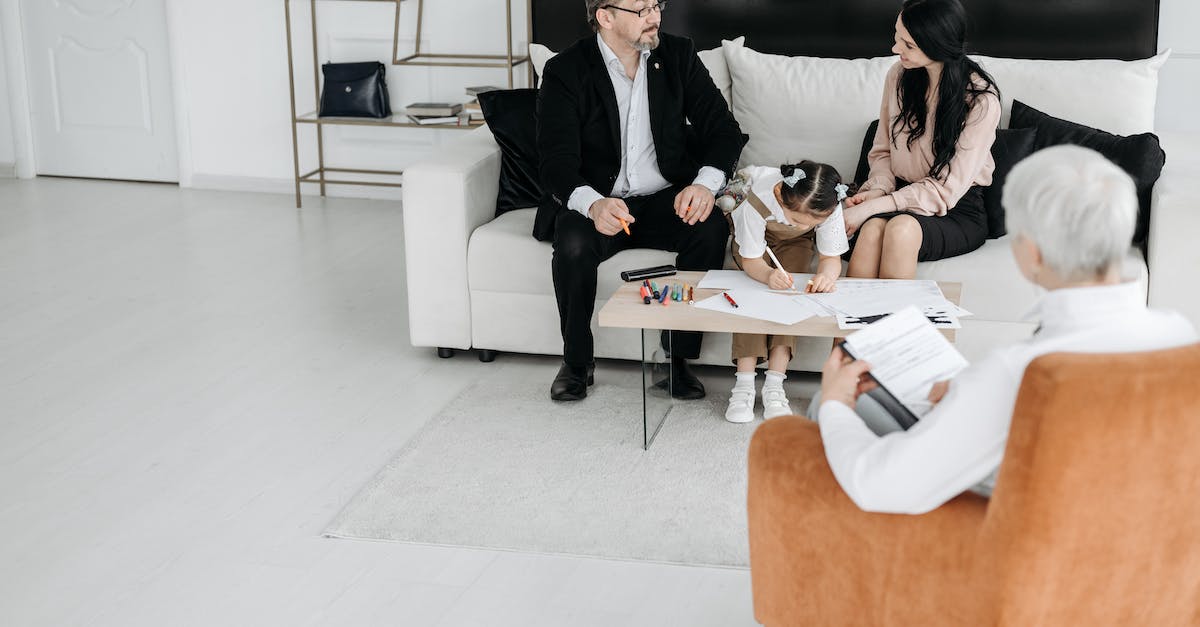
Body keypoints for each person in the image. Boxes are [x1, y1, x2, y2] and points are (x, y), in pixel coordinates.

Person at [812, 145, 1198, 514]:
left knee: (828, 408)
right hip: (1143, 552)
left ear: (1031, 253)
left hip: (1027, 549)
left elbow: (880, 487)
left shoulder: (1017, 373)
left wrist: (835, 402)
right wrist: (969, 390)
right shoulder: (1182, 338)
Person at [536, 0, 745, 402]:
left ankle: (676, 360)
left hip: (665, 197)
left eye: (657, 5)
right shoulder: (566, 69)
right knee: (574, 243)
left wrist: (704, 185)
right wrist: (592, 204)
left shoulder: (678, 55)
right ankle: (577, 362)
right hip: (600, 200)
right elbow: (554, 162)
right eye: (642, 9)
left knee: (709, 227)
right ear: (606, 17)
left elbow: (724, 130)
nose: (655, 17)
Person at [842, 0, 1000, 280]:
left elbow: (944, 191)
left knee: (901, 230)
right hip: (899, 194)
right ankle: (851, 321)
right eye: (896, 37)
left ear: (937, 45)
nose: (895, 49)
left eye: (908, 45)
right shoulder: (899, 76)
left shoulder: (980, 101)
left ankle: (900, 324)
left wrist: (875, 206)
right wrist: (878, 190)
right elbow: (882, 152)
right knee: (870, 232)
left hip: (956, 208)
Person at [721, 161, 850, 423]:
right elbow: (752, 261)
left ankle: (775, 384)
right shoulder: (757, 199)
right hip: (752, 244)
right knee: (753, 293)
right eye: (797, 220)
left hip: (796, 246)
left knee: (791, 296)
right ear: (780, 195)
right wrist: (768, 275)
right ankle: (744, 385)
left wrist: (826, 275)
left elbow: (830, 258)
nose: (804, 226)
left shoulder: (827, 206)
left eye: (811, 224)